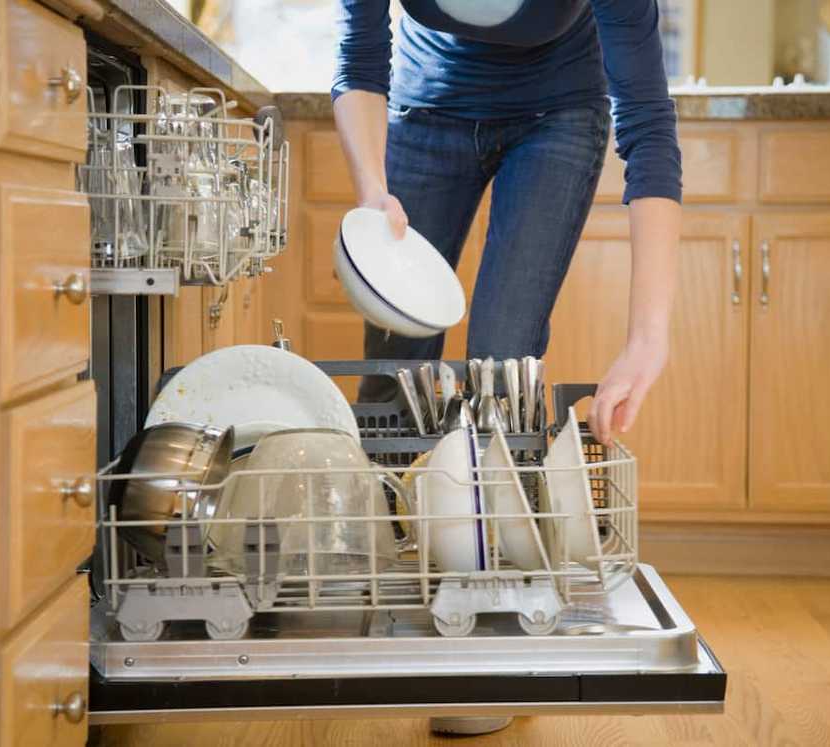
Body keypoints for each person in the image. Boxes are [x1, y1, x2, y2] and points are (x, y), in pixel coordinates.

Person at [332, 0, 681, 734]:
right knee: (394, 375)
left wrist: (649, 337)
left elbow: (648, 125)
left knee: (501, 369)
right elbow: (361, 54)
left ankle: (493, 631)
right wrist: (373, 193)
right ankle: (389, 605)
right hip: (427, 110)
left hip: (556, 113)